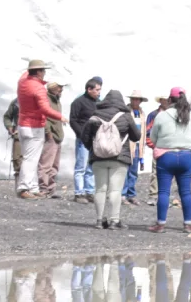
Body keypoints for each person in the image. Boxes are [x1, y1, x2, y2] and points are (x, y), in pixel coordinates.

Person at [79, 89, 139, 229]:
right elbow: (136, 136)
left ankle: (100, 221)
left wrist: (93, 149)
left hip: (98, 158)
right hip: (119, 158)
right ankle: (114, 221)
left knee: (100, 189)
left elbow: (84, 136)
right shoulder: (125, 116)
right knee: (115, 190)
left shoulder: (95, 115)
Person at [147, 88, 191, 233]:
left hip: (166, 156)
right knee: (186, 192)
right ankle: (188, 224)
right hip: (186, 156)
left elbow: (153, 137)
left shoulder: (162, 116)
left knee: (163, 191)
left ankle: (161, 224)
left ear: (170, 100)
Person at [16, 60, 64, 199]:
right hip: (34, 126)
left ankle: (33, 187)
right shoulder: (38, 88)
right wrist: (60, 117)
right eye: (43, 71)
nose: (44, 74)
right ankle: (24, 187)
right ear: (38, 72)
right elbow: (44, 108)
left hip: (23, 124)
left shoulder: (23, 82)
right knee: (31, 159)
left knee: (29, 157)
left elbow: (26, 74)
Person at [68, 76, 104, 204]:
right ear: (89, 89)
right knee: (81, 167)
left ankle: (90, 191)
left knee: (91, 167)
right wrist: (82, 134)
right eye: (97, 90)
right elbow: (73, 120)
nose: (99, 92)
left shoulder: (98, 103)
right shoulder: (78, 102)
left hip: (94, 139)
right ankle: (79, 193)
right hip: (83, 139)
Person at [41, 81, 68, 198]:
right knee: (46, 164)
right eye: (59, 88)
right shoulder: (46, 99)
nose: (61, 90)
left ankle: (50, 189)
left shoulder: (57, 100)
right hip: (51, 136)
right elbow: (44, 116)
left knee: (54, 165)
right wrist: (48, 133)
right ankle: (43, 188)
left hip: (58, 135)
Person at [123, 91, 150, 206]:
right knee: (125, 170)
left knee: (134, 172)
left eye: (137, 99)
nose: (135, 101)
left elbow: (143, 131)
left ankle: (131, 194)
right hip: (127, 145)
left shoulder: (142, 113)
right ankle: (123, 194)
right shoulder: (125, 111)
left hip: (138, 145)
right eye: (133, 99)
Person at [3, 96, 22, 186]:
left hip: (34, 136)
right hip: (18, 136)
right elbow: (7, 117)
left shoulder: (39, 100)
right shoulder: (16, 102)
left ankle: (32, 187)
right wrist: (9, 127)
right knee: (17, 160)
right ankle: (19, 187)